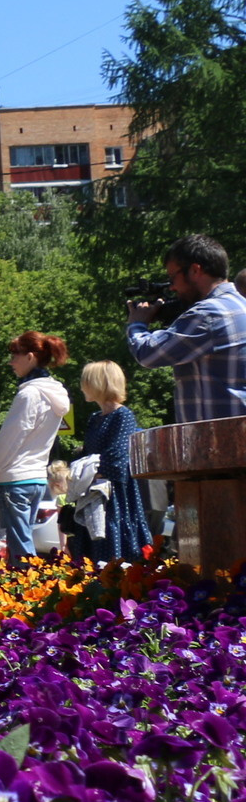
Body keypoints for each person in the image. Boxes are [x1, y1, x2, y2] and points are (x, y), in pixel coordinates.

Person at [127, 234, 246, 425]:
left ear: (195, 270)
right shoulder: (240, 305)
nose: (172, 287)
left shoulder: (208, 314)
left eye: (172, 277)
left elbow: (148, 354)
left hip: (219, 442)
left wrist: (137, 324)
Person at [0, 333, 71, 559]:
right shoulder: (54, 394)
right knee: (22, 541)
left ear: (30, 357)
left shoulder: (29, 394)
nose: (10, 362)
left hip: (14, 480)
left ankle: (31, 590)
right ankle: (33, 587)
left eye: (14, 355)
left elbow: (6, 443)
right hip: (36, 480)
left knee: (20, 549)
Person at [78, 360, 150, 562]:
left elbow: (117, 458)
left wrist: (87, 472)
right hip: (94, 490)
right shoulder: (94, 417)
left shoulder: (123, 415)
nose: (82, 386)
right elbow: (86, 454)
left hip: (115, 494)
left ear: (98, 384)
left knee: (113, 537)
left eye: (86, 381)